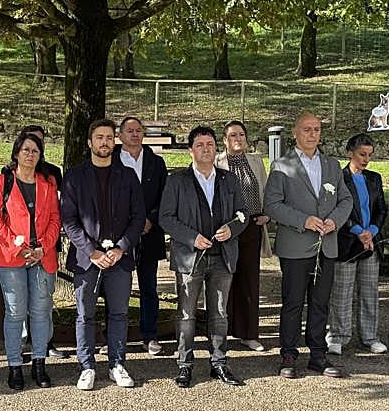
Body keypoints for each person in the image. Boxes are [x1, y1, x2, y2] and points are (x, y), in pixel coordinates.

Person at [263, 111, 352, 379]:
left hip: (327, 244)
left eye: (316, 129)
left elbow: (345, 200)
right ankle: (288, 354)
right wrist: (304, 221)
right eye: (307, 129)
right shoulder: (282, 165)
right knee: (292, 302)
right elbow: (272, 205)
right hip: (295, 245)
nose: (312, 134)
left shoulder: (332, 166)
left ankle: (318, 354)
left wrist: (334, 221)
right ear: (294, 132)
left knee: (320, 302)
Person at [159, 126, 249, 388]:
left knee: (219, 313)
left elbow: (243, 213)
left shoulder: (229, 180)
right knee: (186, 314)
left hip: (223, 257)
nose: (206, 149)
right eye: (200, 145)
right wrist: (191, 237)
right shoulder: (177, 180)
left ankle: (219, 363)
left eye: (210, 144)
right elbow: (166, 217)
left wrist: (231, 228)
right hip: (190, 257)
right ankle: (185, 365)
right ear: (191, 150)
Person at [61, 118, 145, 390]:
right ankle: (86, 366)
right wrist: (92, 251)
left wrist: (121, 247)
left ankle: (116, 364)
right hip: (87, 259)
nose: (105, 142)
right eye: (99, 137)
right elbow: (69, 220)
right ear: (90, 142)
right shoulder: (74, 176)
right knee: (85, 314)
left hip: (119, 259)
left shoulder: (128, 176)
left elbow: (137, 217)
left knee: (119, 314)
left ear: (115, 141)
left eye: (109, 137)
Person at [0, 131, 61, 391]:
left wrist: (43, 247)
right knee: (15, 312)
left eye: (35, 151)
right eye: (26, 150)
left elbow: (55, 219)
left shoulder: (48, 183)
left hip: (43, 256)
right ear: (16, 153)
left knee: (41, 312)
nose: (30, 155)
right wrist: (17, 247)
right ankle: (14, 365)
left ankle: (39, 363)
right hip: (11, 258)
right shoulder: (1, 182)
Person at [328, 133, 388, 355]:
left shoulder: (374, 178)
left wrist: (371, 232)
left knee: (369, 292)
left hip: (370, 244)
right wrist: (357, 231)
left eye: (369, 155)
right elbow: (336, 210)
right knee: (342, 292)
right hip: (347, 243)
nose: (366, 159)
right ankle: (338, 336)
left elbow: (381, 210)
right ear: (349, 153)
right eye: (362, 154)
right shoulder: (338, 178)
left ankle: (370, 337)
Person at [113, 116, 168, 355]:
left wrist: (149, 220)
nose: (134, 135)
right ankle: (115, 337)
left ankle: (150, 335)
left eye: (138, 131)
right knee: (116, 288)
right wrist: (130, 225)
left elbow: (165, 197)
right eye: (129, 131)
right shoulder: (111, 160)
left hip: (149, 232)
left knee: (148, 287)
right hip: (119, 235)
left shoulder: (156, 162)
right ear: (120, 135)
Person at [215, 120, 271, 352]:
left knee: (249, 281)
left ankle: (249, 333)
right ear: (224, 140)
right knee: (224, 280)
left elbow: (266, 191)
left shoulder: (256, 162)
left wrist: (266, 215)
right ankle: (221, 333)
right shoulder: (217, 162)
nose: (237, 139)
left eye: (241, 134)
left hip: (252, 227)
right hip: (227, 228)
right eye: (232, 135)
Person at [19, 125, 67, 359]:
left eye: (39, 143)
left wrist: (45, 244)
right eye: (29, 143)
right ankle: (22, 343)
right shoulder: (9, 174)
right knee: (19, 301)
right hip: (20, 249)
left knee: (43, 298)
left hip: (47, 245)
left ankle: (45, 342)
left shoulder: (53, 173)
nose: (34, 148)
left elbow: (57, 211)